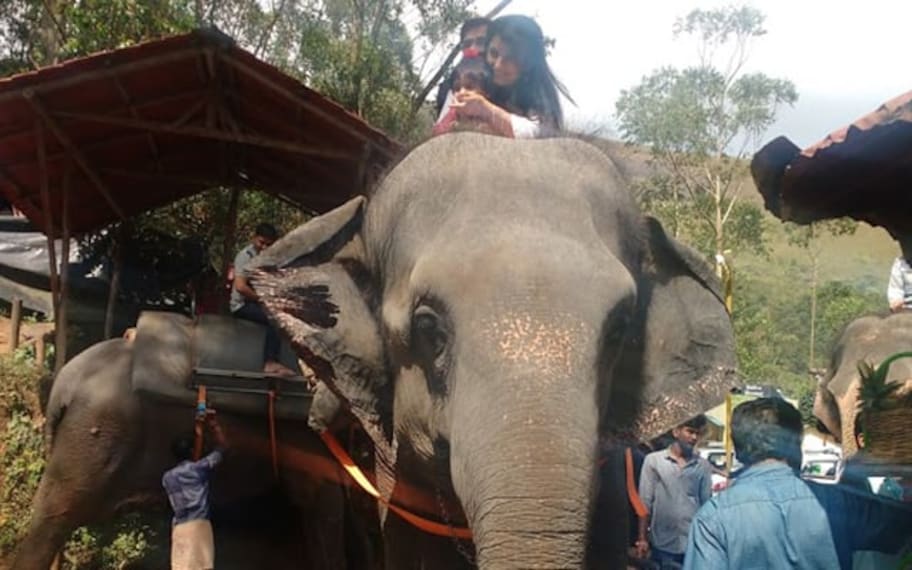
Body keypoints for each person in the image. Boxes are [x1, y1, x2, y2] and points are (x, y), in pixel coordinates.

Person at [684, 398, 912, 570]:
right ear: (797, 444)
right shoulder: (838, 502)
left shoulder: (713, 518)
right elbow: (901, 531)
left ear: (738, 449)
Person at [438, 14, 572, 138]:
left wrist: (486, 109)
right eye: (493, 53)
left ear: (528, 65)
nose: (497, 65)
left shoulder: (538, 95)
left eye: (510, 59)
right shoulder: (465, 82)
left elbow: (542, 133)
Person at [637, 415, 712, 569]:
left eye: (697, 433)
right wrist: (642, 538)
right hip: (661, 544)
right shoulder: (654, 461)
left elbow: (707, 506)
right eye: (690, 432)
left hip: (692, 544)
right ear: (676, 431)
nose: (694, 437)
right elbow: (644, 502)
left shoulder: (702, 466)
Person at [163, 411, 227, 570]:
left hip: (179, 528)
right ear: (192, 452)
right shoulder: (198, 469)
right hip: (198, 526)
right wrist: (213, 425)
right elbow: (224, 448)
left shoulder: (167, 477)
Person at [230, 223, 292, 375]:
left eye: (268, 244)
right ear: (254, 238)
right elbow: (240, 287)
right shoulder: (245, 257)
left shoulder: (270, 258)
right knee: (275, 319)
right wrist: (263, 299)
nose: (264, 247)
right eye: (261, 242)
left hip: (257, 301)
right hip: (242, 305)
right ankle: (270, 361)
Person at [434, 17, 490, 116]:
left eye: (481, 42)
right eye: (467, 44)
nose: (472, 48)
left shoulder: (511, 86)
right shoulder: (447, 88)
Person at [431, 55, 495, 136]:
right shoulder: (452, 114)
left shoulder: (493, 118)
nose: (461, 92)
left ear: (486, 93)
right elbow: (437, 135)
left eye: (469, 87)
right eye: (457, 88)